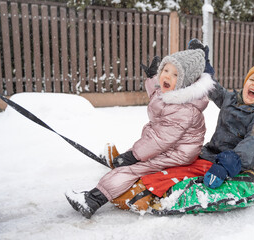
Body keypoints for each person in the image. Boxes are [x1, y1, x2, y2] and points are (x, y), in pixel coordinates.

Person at [65, 48, 215, 219]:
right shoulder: (171, 94)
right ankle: (120, 166)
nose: (166, 76)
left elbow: (160, 140)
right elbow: (155, 93)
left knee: (133, 168)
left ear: (185, 82)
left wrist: (135, 156)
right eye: (165, 70)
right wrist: (152, 78)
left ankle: (92, 200)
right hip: (166, 144)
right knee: (134, 156)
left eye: (174, 74)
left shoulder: (184, 109)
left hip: (178, 153)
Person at [140, 39, 254, 198]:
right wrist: (203, 63)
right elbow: (212, 87)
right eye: (252, 79)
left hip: (233, 163)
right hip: (210, 153)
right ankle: (142, 172)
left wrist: (228, 163)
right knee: (176, 162)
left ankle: (151, 192)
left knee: (182, 175)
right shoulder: (232, 99)